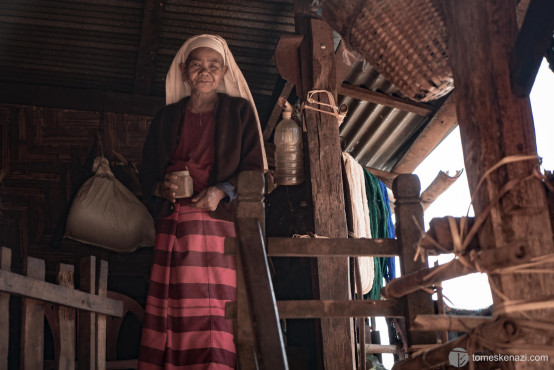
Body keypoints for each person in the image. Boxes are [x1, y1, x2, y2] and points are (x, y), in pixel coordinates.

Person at [138, 34, 266, 369]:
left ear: (224, 72)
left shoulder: (240, 113)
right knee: (171, 306)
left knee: (213, 310)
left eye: (213, 65)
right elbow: (147, 171)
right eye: (197, 65)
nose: (205, 72)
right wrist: (160, 188)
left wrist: (221, 190)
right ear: (184, 72)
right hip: (173, 224)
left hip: (217, 223)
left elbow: (255, 170)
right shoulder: (166, 117)